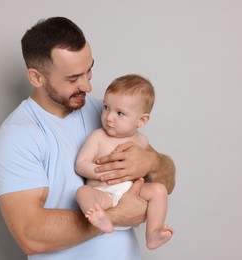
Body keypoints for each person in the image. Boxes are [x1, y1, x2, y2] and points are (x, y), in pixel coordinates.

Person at [0, 16, 175, 260]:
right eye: (73, 78)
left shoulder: (106, 113)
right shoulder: (16, 138)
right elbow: (30, 236)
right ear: (36, 78)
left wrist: (153, 163)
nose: (87, 86)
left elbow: (166, 182)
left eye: (89, 71)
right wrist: (118, 214)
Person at [75, 74, 174, 250]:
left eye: (120, 113)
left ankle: (153, 233)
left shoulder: (142, 141)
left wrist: (148, 166)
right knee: (83, 193)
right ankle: (103, 218)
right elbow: (81, 164)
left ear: (141, 120)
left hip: (132, 194)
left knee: (159, 190)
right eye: (106, 108)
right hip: (104, 194)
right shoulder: (98, 136)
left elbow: (153, 171)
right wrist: (104, 172)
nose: (109, 117)